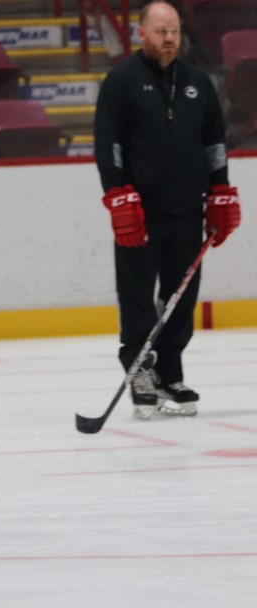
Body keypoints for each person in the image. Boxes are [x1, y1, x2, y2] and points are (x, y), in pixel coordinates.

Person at [94, 0, 241, 419]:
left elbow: (213, 143)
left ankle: (170, 372)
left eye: (174, 30)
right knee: (137, 295)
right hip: (140, 211)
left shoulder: (198, 82)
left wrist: (220, 190)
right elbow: (109, 146)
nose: (169, 38)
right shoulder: (121, 82)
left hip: (187, 212)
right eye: (160, 31)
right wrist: (117, 194)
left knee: (181, 296)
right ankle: (140, 371)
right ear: (140, 33)